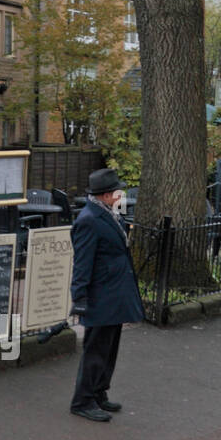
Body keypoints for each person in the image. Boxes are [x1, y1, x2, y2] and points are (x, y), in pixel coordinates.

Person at [69, 167, 144, 422]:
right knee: (96, 349)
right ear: (106, 195)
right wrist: (78, 297)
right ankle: (83, 400)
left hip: (114, 293)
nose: (121, 195)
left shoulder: (108, 213)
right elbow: (82, 262)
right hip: (100, 294)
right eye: (118, 192)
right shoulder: (89, 220)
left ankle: (99, 392)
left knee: (109, 348)